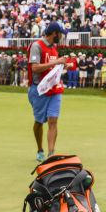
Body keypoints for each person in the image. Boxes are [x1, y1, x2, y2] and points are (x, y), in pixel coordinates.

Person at [27, 22, 67, 162]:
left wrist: (61, 65)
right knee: (39, 121)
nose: (61, 36)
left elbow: (52, 69)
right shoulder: (37, 46)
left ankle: (51, 154)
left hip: (54, 89)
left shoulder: (54, 49)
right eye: (60, 34)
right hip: (38, 90)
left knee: (53, 121)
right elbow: (35, 68)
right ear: (54, 33)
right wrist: (55, 63)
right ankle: (40, 149)